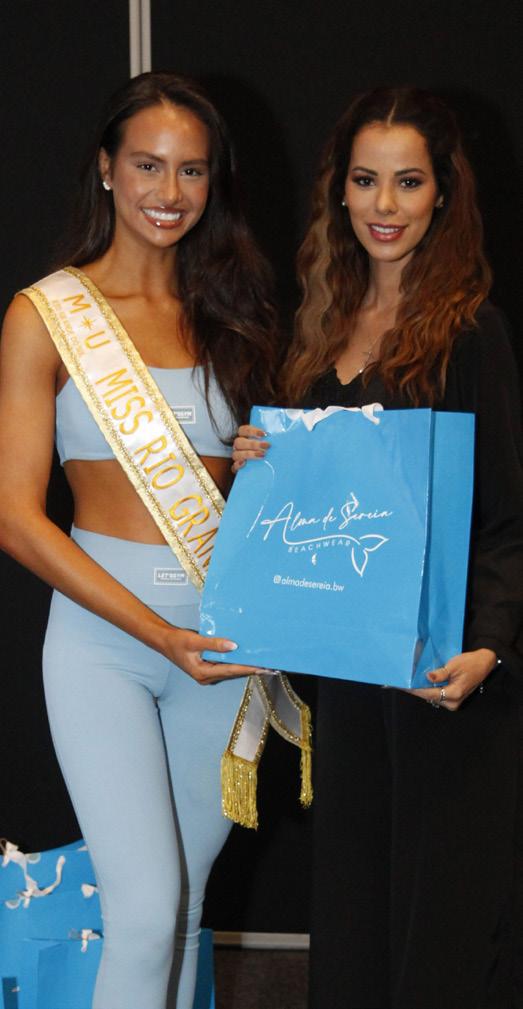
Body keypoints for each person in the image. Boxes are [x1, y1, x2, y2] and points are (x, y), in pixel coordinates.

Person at [233, 87, 523, 1009]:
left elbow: (507, 517)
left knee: (437, 936)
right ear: (339, 190)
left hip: (443, 677)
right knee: (353, 919)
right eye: (365, 181)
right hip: (351, 676)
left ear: (443, 194)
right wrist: (259, 459)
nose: (383, 205)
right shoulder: (317, 326)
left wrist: (489, 647)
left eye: (407, 182)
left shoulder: (471, 330)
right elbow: (309, 506)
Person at [0, 72, 280, 1009]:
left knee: (188, 909)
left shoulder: (233, 312)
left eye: (191, 170)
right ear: (106, 169)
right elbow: (14, 515)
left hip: (221, 642)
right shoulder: (47, 314)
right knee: (146, 910)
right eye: (148, 165)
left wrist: (261, 464)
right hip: (104, 644)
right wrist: (157, 633)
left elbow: (253, 506)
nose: (169, 191)